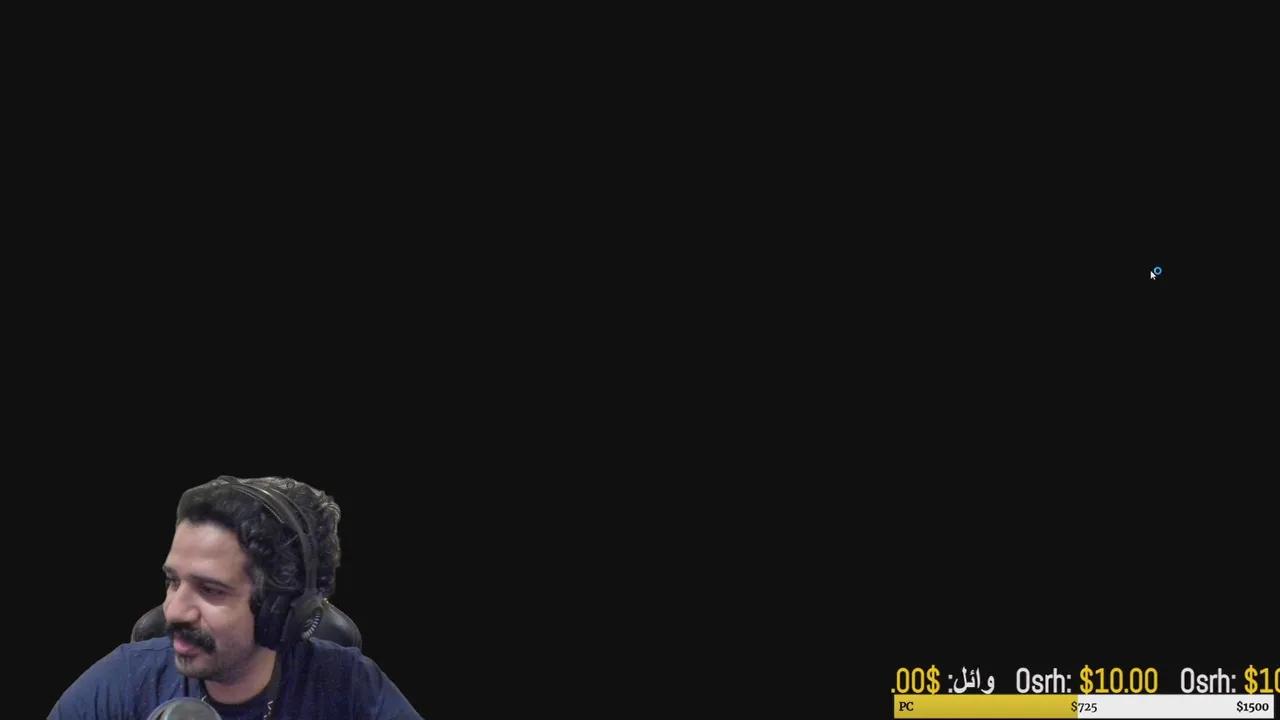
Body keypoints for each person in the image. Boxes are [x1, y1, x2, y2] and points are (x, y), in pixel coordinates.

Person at [50, 475, 422, 719]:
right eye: (173, 581)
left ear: (281, 611)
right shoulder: (120, 685)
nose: (173, 611)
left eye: (210, 590)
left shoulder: (352, 688)